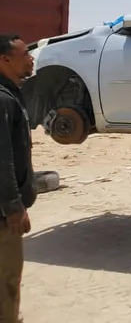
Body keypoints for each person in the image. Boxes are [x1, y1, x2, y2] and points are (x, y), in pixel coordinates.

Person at [0, 34, 36, 323]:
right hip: (3, 211)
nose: (31, 57)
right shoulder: (2, 99)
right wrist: (13, 206)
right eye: (25, 54)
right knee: (8, 277)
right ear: (5, 60)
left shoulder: (10, 94)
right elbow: (2, 159)